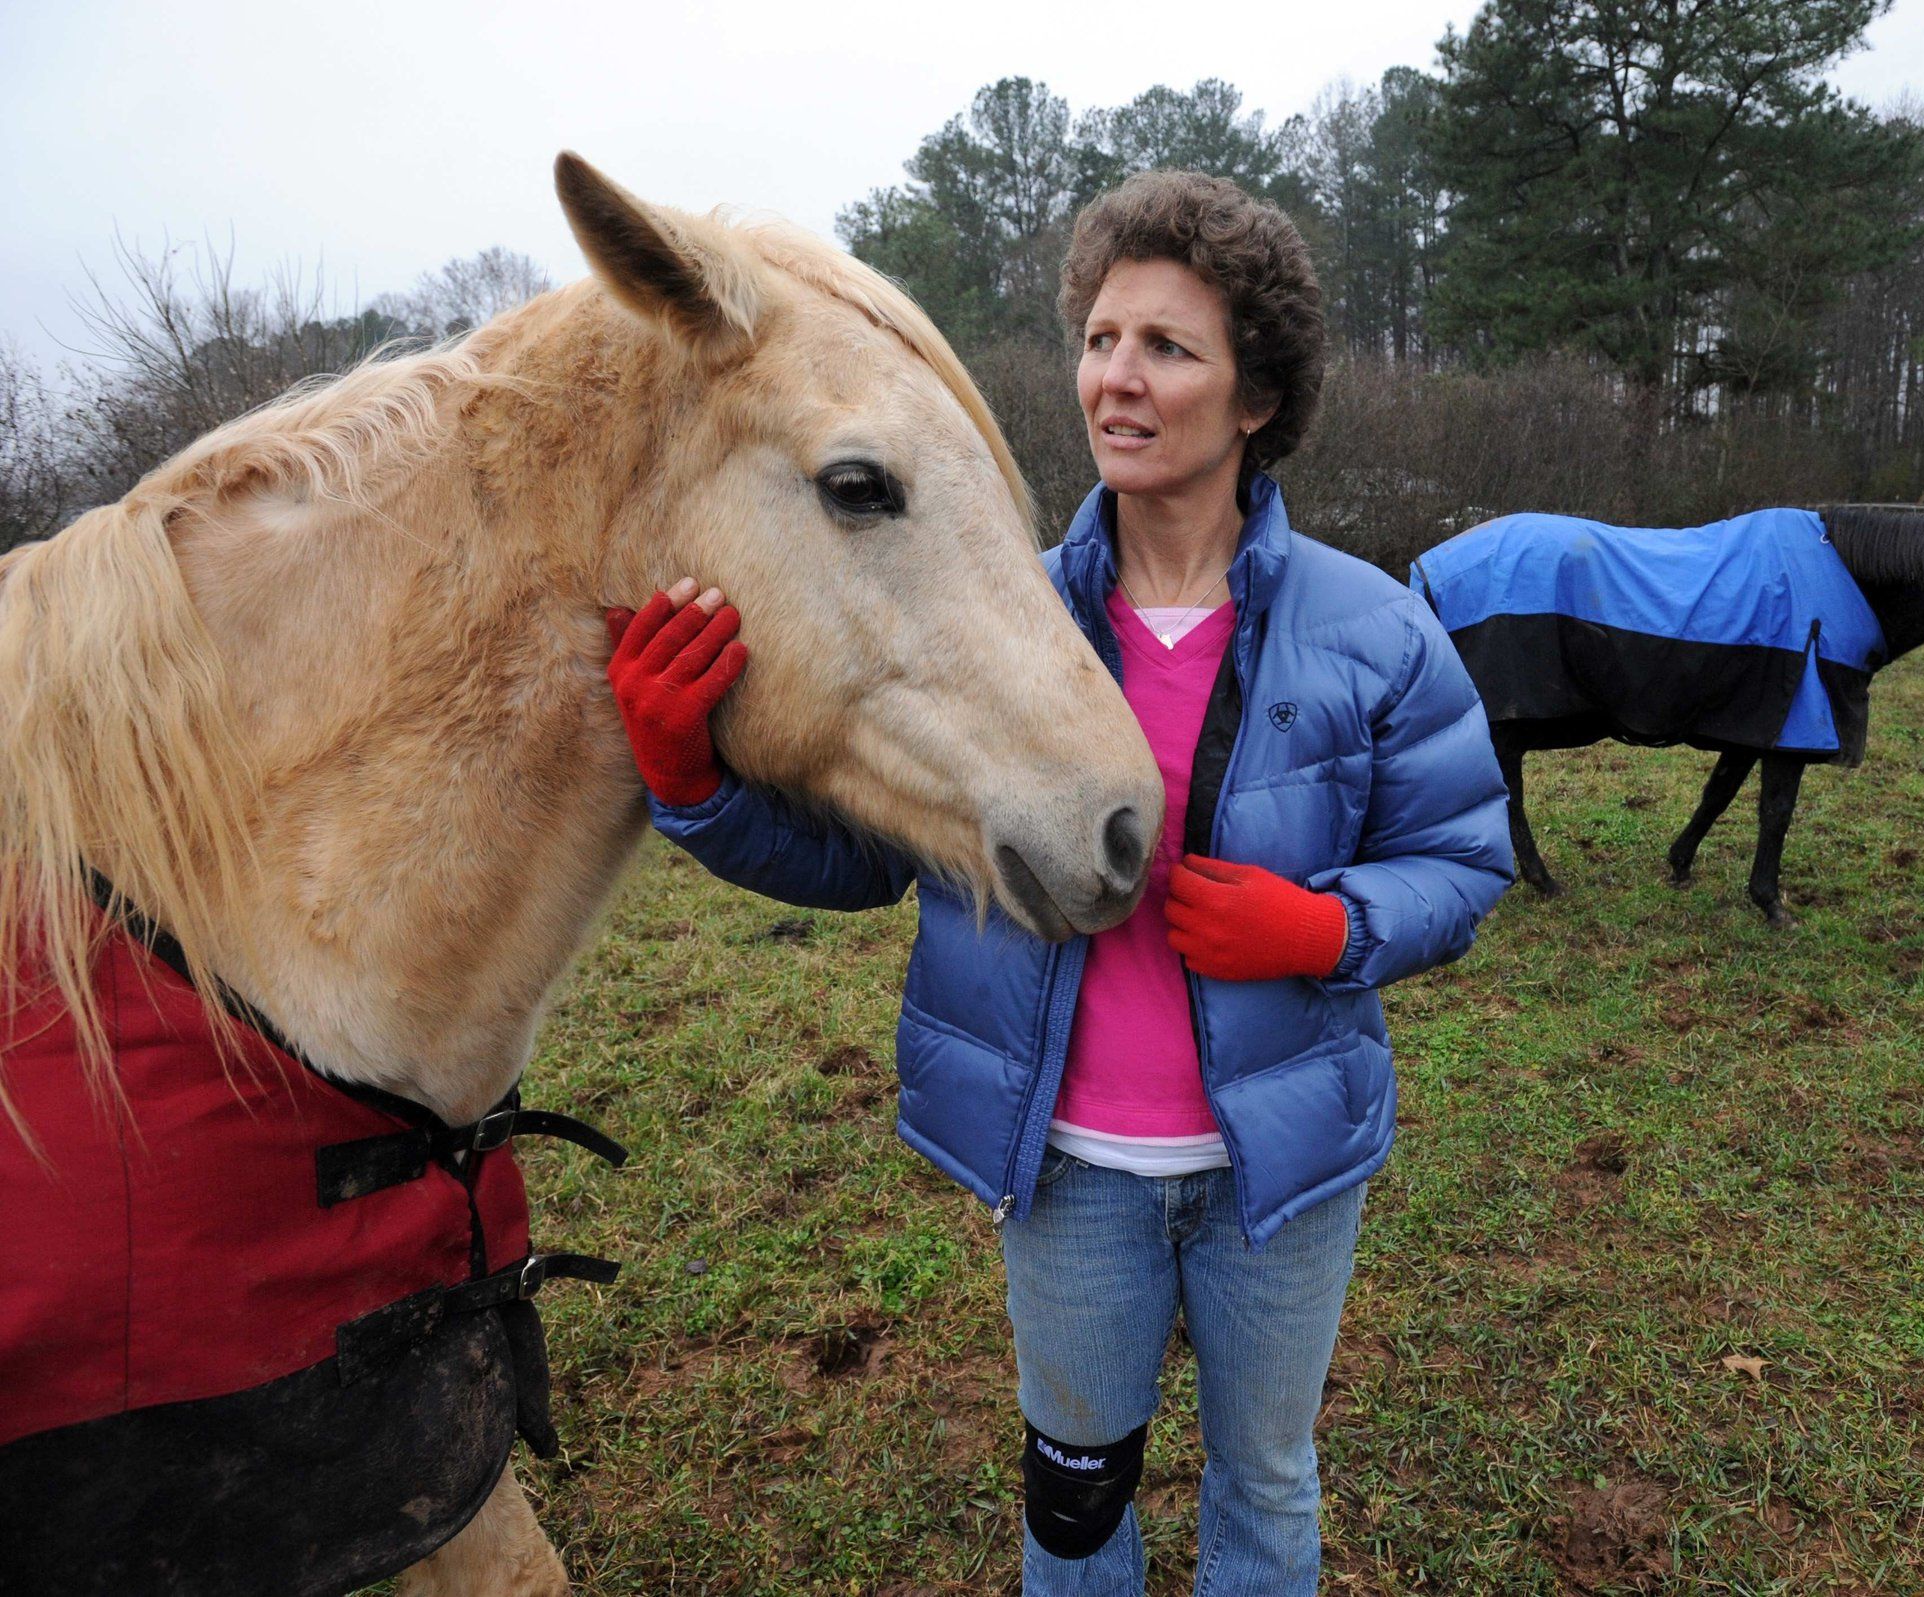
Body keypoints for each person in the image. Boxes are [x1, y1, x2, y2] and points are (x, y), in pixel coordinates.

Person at [605, 170, 1511, 1594]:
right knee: (1076, 1500)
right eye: (1101, 338)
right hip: (1073, 1169)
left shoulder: (1377, 628)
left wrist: (1326, 927)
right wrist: (695, 785)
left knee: (1264, 1481)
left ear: (1256, 395)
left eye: (1169, 346)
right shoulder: (991, 610)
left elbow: (1464, 863)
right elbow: (862, 858)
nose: (1118, 378)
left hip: (1281, 1169)